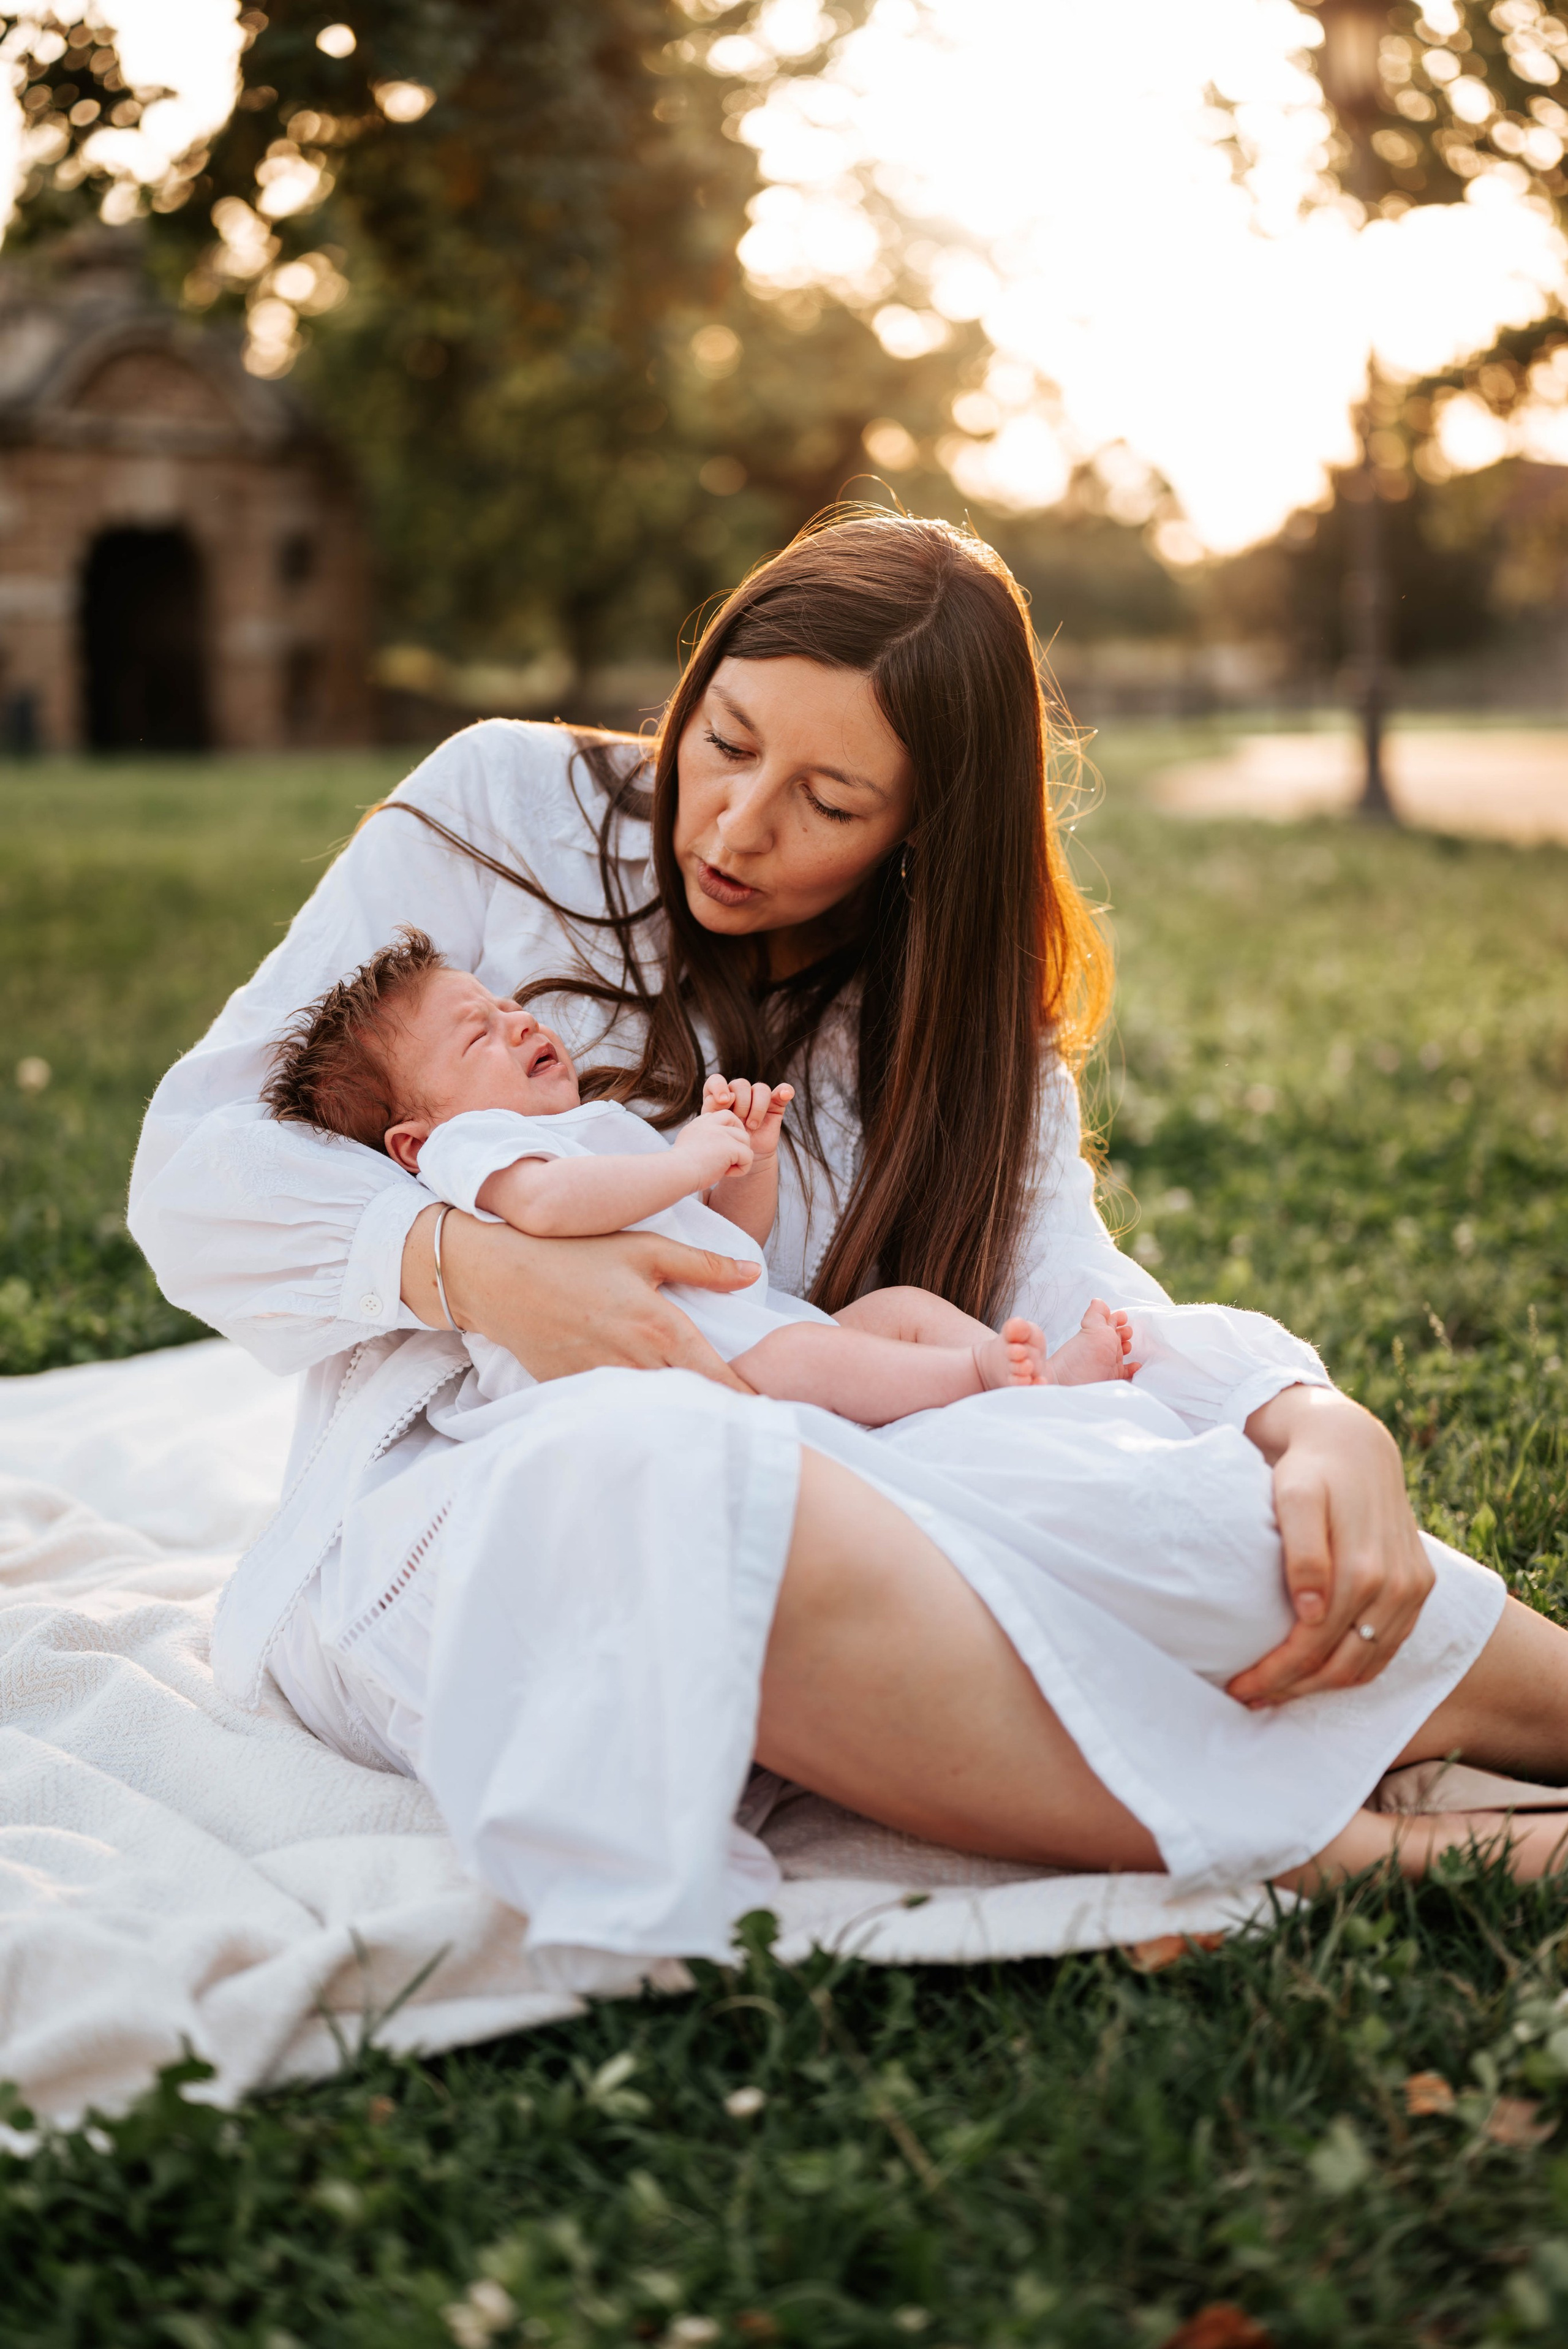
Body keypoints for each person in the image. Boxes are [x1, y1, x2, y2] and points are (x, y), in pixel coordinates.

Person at [128, 510, 1568, 1962]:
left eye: (828, 801)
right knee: (677, 1476)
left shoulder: (953, 1028)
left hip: (848, 1469)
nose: (739, 825)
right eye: (729, 741)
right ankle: (1345, 1849)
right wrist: (482, 1271)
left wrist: (1305, 1412)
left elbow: (1068, 1294)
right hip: (468, 1507)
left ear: (920, 825)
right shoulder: (507, 809)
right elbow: (199, 1165)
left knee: (1146, 1494)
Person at [260, 927, 1135, 1421]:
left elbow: (728, 1245)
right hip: (671, 1380)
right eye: (477, 1033)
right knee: (816, 1357)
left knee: (892, 1314)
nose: (516, 1022)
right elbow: (553, 1208)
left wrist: (742, 1162)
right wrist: (684, 1160)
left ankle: (1025, 1371)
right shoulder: (469, 1153)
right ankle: (994, 1383)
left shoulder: (588, 1129)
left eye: (506, 1006)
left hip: (740, 1334)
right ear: (412, 1141)